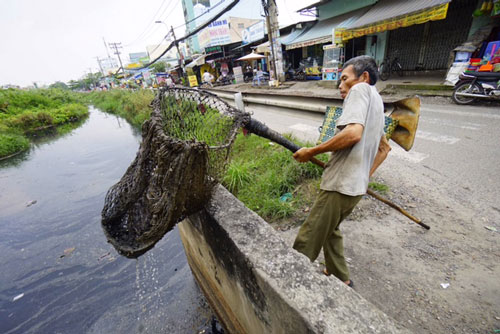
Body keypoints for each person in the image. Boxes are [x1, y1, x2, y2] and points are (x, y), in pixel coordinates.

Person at [292, 55, 391, 288]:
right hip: (355, 189)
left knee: (308, 238)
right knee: (330, 231)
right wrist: (365, 176)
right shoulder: (377, 102)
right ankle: (340, 277)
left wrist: (311, 152)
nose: (340, 85)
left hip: (340, 184)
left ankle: (289, 285)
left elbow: (353, 134)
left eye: (344, 78)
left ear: (363, 77)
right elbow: (384, 148)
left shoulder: (360, 91)